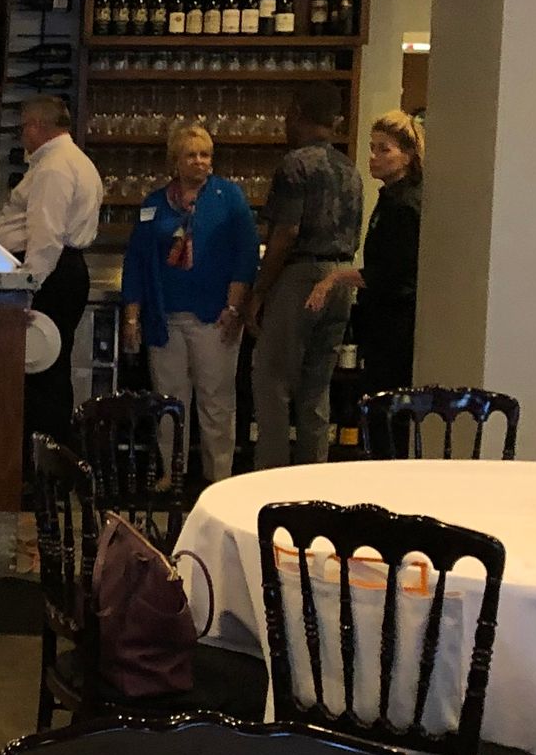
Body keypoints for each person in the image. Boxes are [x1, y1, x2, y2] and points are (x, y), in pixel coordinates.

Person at [120, 121, 259, 483]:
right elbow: (136, 260)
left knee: (216, 401)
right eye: (192, 155)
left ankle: (220, 478)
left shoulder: (229, 198)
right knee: (169, 401)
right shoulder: (154, 204)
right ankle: (173, 471)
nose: (200, 162)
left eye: (206, 155)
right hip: (164, 318)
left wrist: (234, 307)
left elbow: (246, 256)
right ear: (175, 161)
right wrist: (132, 317)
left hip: (215, 316)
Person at [245, 89, 364, 468]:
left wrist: (260, 291)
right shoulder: (350, 169)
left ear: (295, 113)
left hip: (301, 275)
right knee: (317, 388)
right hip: (340, 278)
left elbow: (287, 233)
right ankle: (313, 480)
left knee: (273, 381)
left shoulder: (295, 164)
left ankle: (271, 480)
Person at [0, 93, 103, 453]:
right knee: (50, 370)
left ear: (38, 126)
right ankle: (50, 464)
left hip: (51, 276)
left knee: (40, 372)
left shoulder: (54, 167)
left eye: (24, 127)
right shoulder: (75, 161)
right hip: (64, 272)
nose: (22, 135)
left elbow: (46, 236)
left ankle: (37, 468)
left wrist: (28, 288)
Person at [305, 110, 424, 395]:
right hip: (384, 318)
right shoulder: (391, 199)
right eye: (372, 148)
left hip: (397, 322)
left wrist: (335, 278)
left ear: (407, 156)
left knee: (388, 401)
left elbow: (392, 274)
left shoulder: (404, 205)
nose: (374, 156)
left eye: (385, 150)